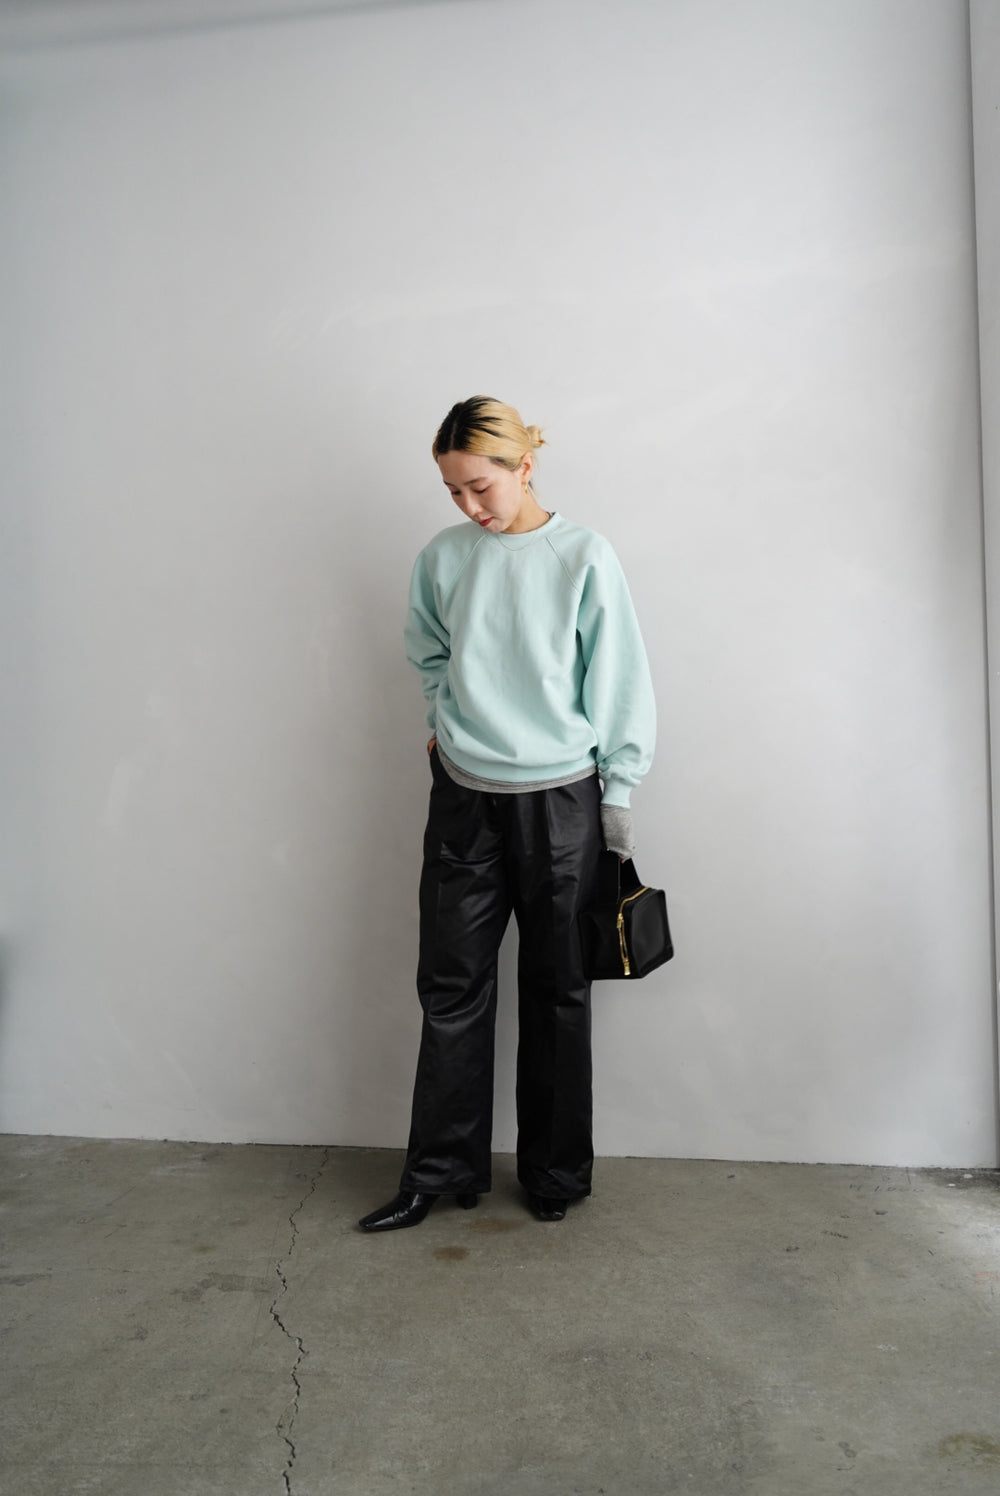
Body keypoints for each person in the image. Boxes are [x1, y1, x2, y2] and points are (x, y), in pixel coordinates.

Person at [359, 396, 655, 1231]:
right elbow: (427, 647)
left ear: (525, 466)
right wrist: (441, 714)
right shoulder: (444, 557)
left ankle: (554, 1176)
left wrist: (619, 795)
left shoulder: (583, 555)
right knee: (451, 985)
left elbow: (620, 679)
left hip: (563, 800)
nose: (468, 506)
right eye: (452, 491)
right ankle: (438, 1172)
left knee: (559, 989)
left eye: (479, 486)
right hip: (465, 794)